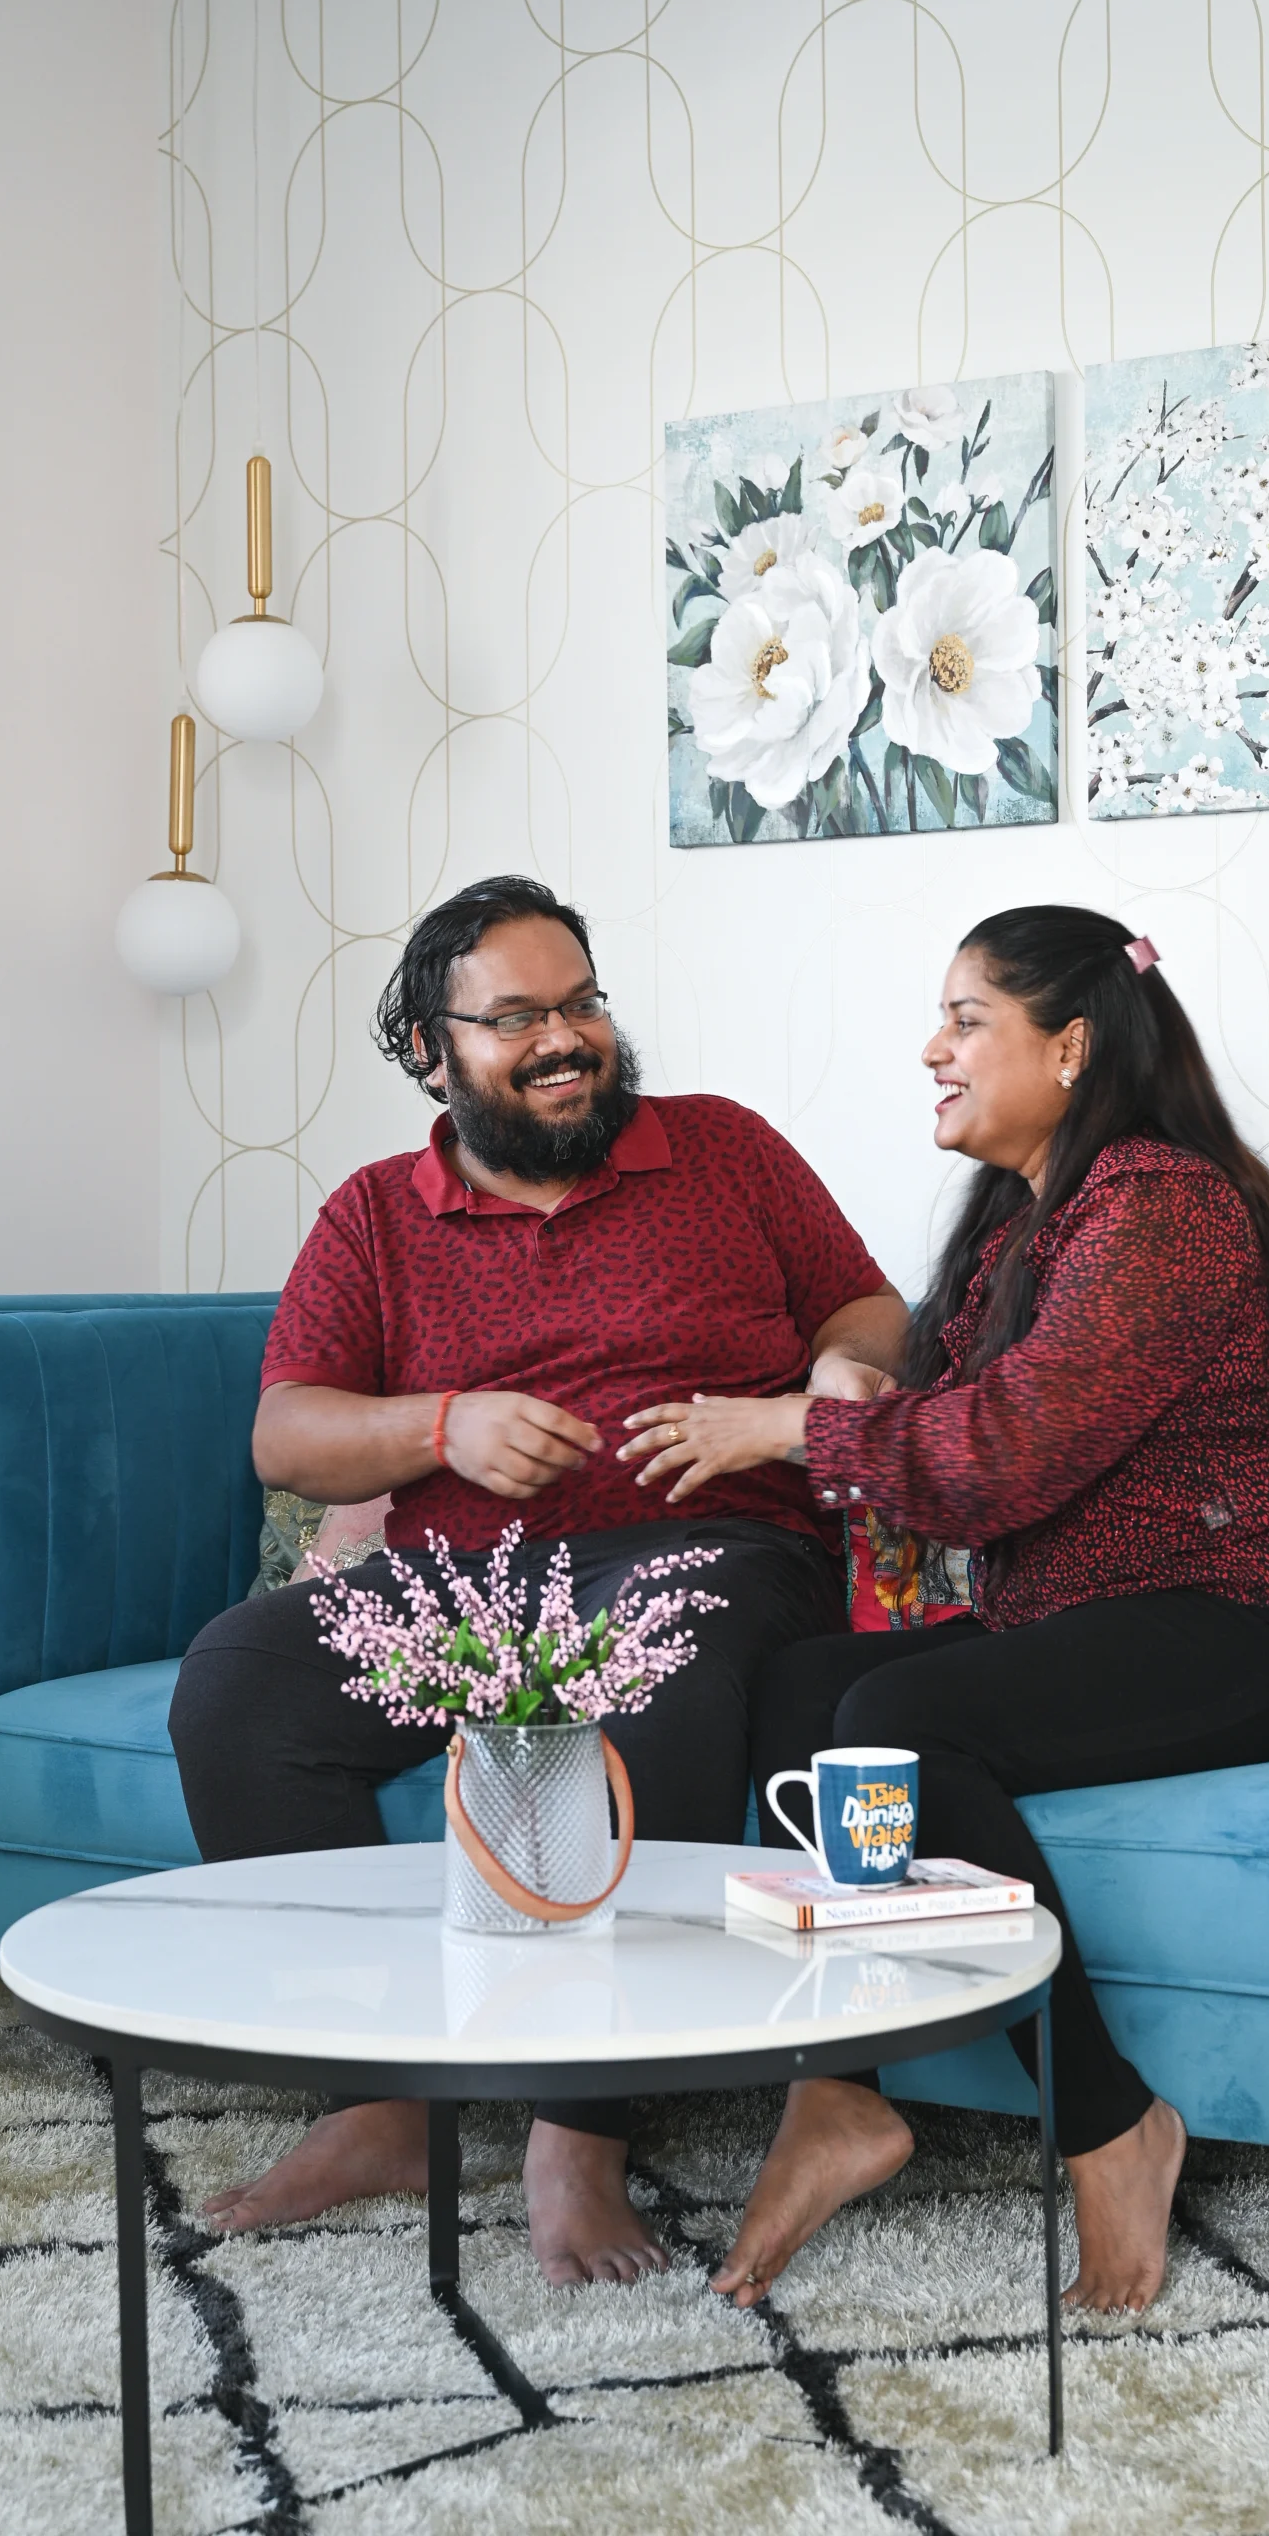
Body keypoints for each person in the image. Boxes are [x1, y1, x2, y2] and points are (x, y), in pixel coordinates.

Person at [618, 905, 1269, 2318]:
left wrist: (790, 1428)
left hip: (1245, 1624)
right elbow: (961, 1431)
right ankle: (837, 2089)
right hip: (1085, 1616)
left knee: (899, 1720)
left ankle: (1109, 2123)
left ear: (1070, 1047)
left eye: (965, 1020)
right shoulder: (1029, 1218)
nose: (932, 1050)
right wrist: (856, 1396)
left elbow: (1008, 1453)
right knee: (795, 1690)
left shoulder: (1160, 1206)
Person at [167, 874, 908, 2283]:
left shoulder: (726, 1150)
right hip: (469, 1587)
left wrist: (832, 1371)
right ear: (429, 1049)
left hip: (715, 1551)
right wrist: (441, 1427)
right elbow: (288, 1431)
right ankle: (381, 2100)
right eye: (515, 1018)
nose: (564, 1039)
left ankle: (580, 2126)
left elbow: (866, 1305)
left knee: (648, 1655)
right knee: (238, 1681)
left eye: (580, 1005)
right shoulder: (375, 1215)